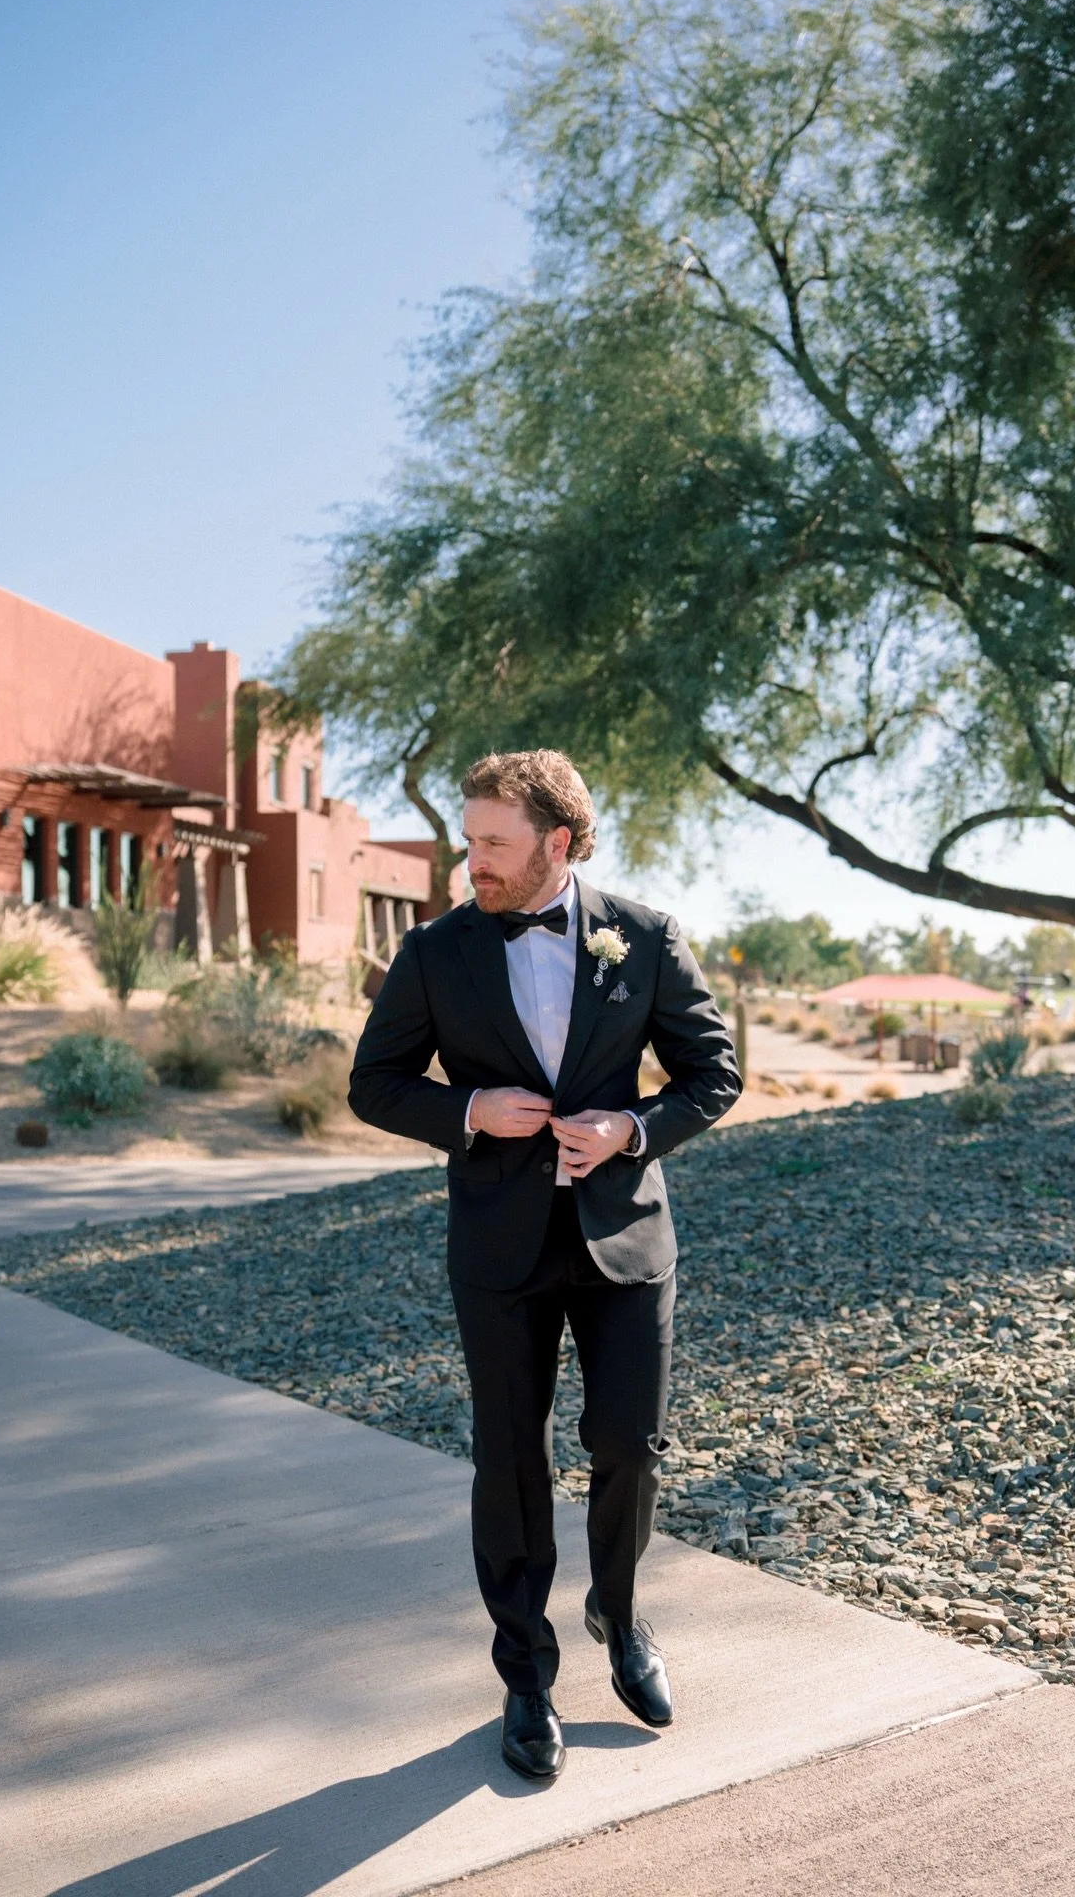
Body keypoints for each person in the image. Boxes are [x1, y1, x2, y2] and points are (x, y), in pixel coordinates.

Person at [349, 750, 740, 1782]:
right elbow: (374, 1084)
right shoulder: (436, 952)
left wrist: (632, 1129)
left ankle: (619, 1607)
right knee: (510, 1464)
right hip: (498, 1247)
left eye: (492, 845)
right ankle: (525, 1673)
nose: (470, 862)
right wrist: (469, 1111)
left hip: (627, 1241)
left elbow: (715, 1075)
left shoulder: (643, 937)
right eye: (468, 840)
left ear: (556, 844)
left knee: (631, 1445)